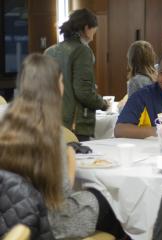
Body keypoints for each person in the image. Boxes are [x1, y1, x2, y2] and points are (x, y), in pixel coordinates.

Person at [0, 54, 128, 239]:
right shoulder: (49, 133)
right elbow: (62, 192)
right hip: (48, 222)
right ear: (54, 87)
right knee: (109, 203)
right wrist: (69, 157)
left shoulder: (6, 124)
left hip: (11, 216)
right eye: (61, 81)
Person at [45, 8, 109, 141]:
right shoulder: (82, 51)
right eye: (94, 31)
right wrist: (103, 104)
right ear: (87, 28)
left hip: (51, 119)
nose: (93, 37)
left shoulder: (50, 51)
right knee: (78, 160)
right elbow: (83, 92)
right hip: (75, 123)